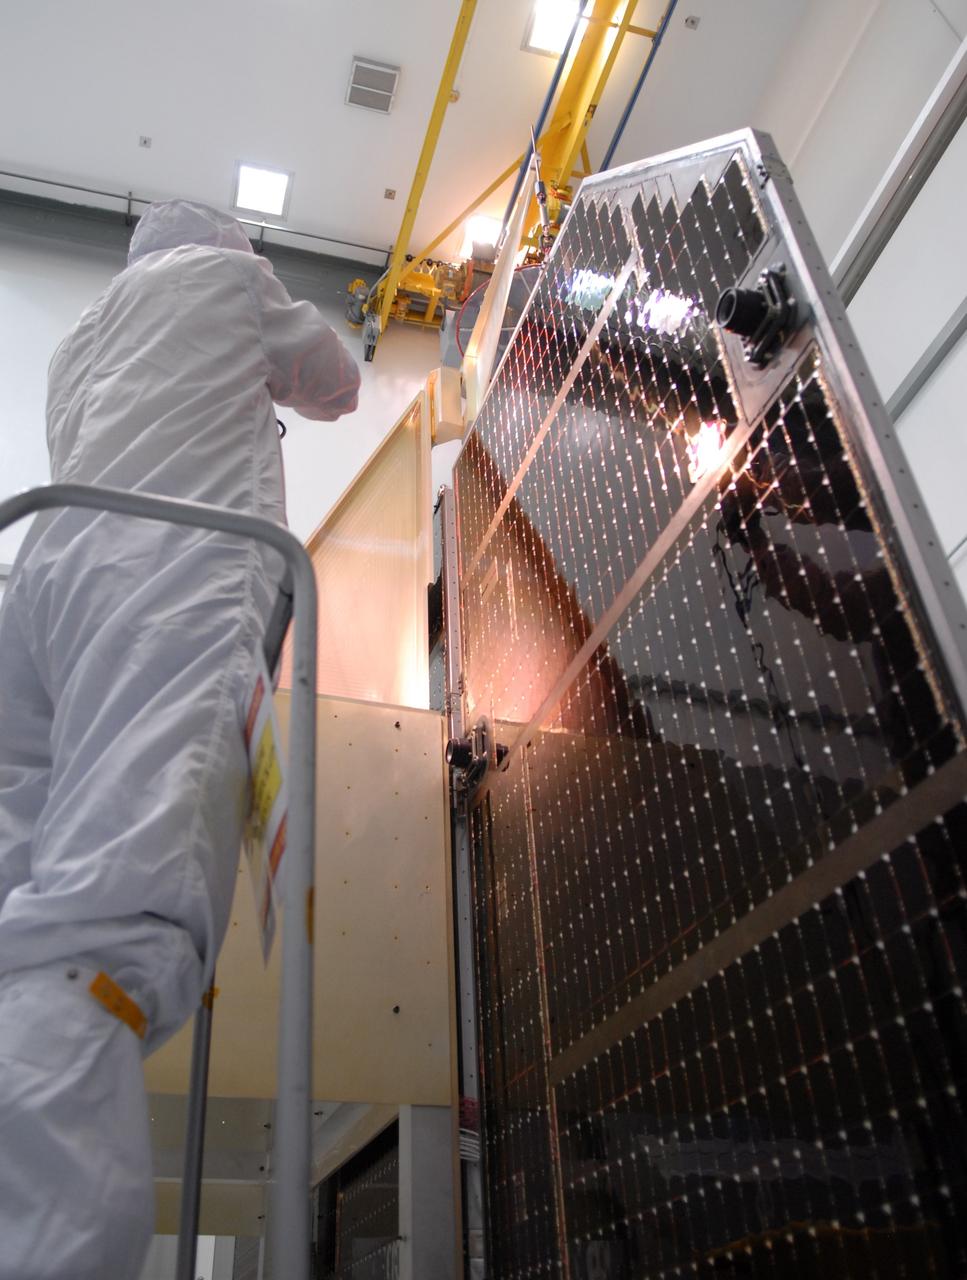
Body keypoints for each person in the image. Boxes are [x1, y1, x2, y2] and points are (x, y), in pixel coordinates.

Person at [0, 200, 361, 1279]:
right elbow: (337, 380)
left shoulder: (80, 334)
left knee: (22, 896)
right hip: (173, 578)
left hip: (42, 584)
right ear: (226, 244)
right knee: (108, 913)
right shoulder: (225, 278)